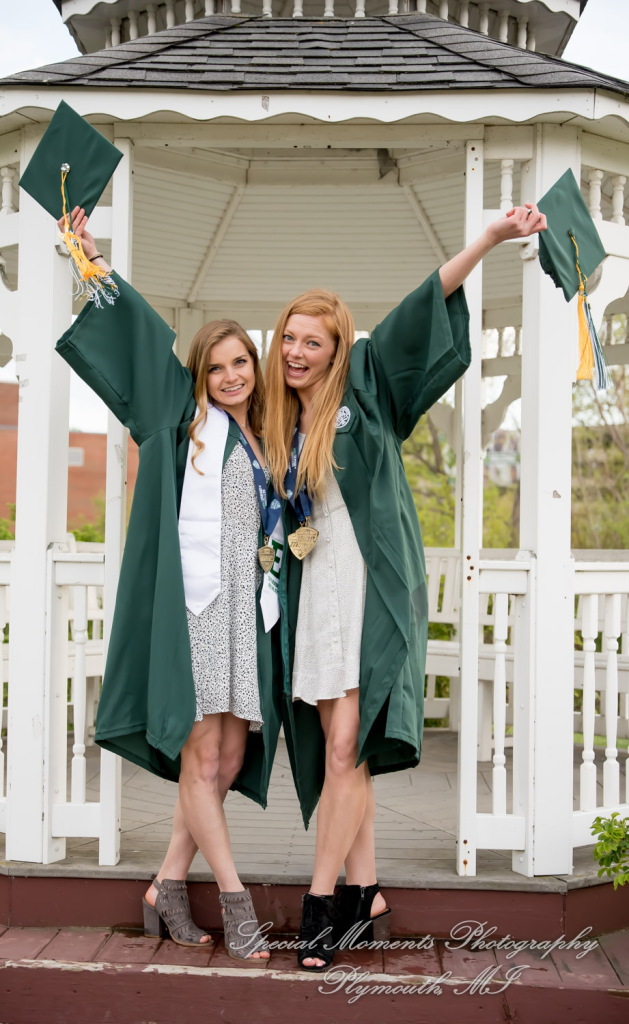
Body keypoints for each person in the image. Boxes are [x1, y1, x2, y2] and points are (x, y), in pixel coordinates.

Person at [263, 204, 547, 970]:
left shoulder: (366, 385)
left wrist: (487, 239)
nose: (295, 351)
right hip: (315, 594)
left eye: (310, 342)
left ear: (336, 348)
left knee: (348, 744)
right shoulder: (278, 423)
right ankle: (368, 891)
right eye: (287, 338)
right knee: (337, 747)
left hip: (373, 590)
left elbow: (425, 305)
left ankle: (321, 906)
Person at [55, 208, 283, 960]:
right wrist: (92, 262)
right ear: (200, 374)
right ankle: (235, 900)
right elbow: (140, 340)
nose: (228, 377)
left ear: (256, 365)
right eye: (215, 366)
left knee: (224, 762)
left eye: (239, 363)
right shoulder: (180, 419)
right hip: (189, 614)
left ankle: (162, 887)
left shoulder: (264, 438)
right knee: (197, 759)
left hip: (242, 617)